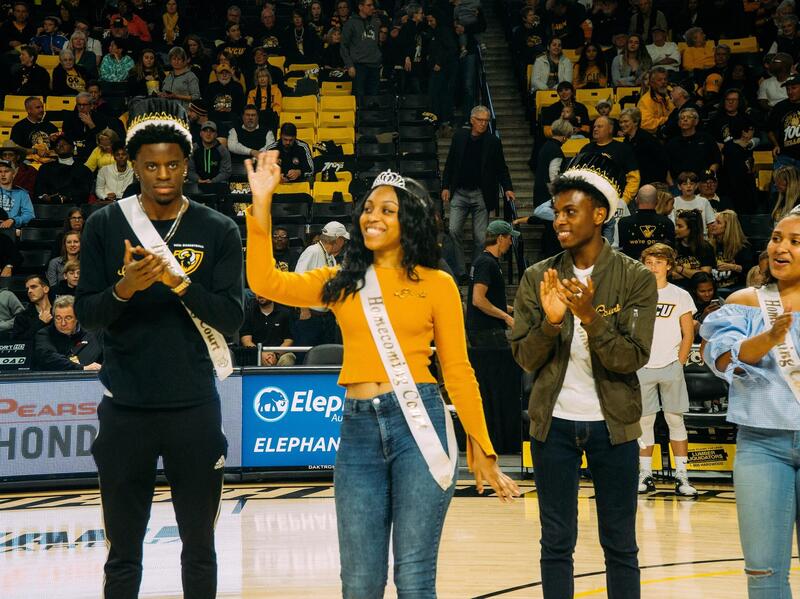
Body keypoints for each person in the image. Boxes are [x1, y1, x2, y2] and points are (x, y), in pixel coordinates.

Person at [245, 155, 519, 597]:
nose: (372, 217)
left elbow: (458, 370)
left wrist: (482, 445)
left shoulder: (438, 283)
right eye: (369, 209)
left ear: (408, 220)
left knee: (413, 578)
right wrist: (260, 206)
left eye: (387, 210)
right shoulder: (343, 281)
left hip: (421, 422)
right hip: (357, 428)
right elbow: (264, 281)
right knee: (359, 582)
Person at [74, 98, 244, 598]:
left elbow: (232, 320)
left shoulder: (218, 229)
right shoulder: (105, 225)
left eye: (172, 164)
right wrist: (124, 287)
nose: (163, 174)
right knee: (123, 553)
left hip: (193, 408)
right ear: (134, 166)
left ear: (187, 164)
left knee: (199, 549)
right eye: (151, 165)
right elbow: (87, 314)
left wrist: (180, 284)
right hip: (126, 410)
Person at [510, 152, 657, 599]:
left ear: (599, 214)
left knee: (620, 543)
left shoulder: (635, 278)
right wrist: (553, 322)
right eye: (557, 213)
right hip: (553, 426)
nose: (559, 221)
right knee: (556, 542)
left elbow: (630, 358)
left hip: (614, 428)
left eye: (569, 212)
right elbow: (524, 357)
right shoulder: (539, 275)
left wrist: (589, 316)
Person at [700, 209, 800, 598]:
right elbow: (722, 358)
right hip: (762, 446)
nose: (781, 248)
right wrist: (770, 337)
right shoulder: (746, 301)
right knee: (763, 570)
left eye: (795, 242)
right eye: (777, 238)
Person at [637, 243, 698, 497]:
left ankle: (682, 476)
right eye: (649, 262)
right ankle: (645, 474)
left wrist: (680, 362)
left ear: (669, 265)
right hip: (643, 366)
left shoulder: (680, 295)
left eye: (659, 262)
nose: (653, 267)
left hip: (671, 364)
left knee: (675, 419)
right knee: (644, 421)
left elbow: (688, 333)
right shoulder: (635, 293)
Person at [442, 105, 514, 276]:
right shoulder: (459, 136)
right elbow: (450, 162)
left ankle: (475, 270)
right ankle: (460, 271)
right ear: (472, 120)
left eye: (486, 121)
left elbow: (501, 167)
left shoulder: (493, 142)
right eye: (480, 120)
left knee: (481, 238)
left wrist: (508, 188)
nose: (483, 124)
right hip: (459, 192)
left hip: (481, 193)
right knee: (453, 230)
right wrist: (445, 186)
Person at [292, 220, 349, 347]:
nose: (344, 243)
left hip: (325, 316)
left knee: (325, 357)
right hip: (310, 315)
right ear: (338, 240)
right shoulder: (313, 251)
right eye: (343, 240)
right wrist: (304, 310)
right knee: (307, 357)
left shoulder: (331, 257)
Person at [465, 219, 517, 348]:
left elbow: (488, 298)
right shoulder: (486, 263)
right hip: (486, 330)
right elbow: (478, 300)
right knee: (503, 367)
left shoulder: (487, 261)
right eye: (509, 238)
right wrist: (506, 317)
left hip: (486, 330)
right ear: (500, 238)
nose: (510, 242)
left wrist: (511, 309)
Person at [35, 295, 101, 371]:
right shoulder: (44, 334)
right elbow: (48, 358)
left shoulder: (93, 334)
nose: (63, 323)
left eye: (68, 318)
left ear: (77, 318)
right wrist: (82, 368)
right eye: (58, 318)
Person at [665, 107, 722, 186]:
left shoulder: (706, 138)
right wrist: (672, 185)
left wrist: (708, 177)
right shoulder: (671, 143)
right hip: (679, 185)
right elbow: (666, 166)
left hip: (704, 182)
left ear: (696, 121)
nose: (685, 119)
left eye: (689, 117)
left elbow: (716, 160)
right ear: (678, 123)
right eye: (682, 118)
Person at [618, 184, 675, 259]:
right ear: (657, 200)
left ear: (636, 200)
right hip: (658, 267)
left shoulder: (624, 223)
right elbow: (671, 252)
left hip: (630, 268)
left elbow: (619, 248)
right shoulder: (667, 223)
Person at [34, 136, 93, 204]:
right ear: (55, 149)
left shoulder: (83, 170)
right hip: (49, 206)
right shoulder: (45, 168)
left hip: (73, 206)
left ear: (72, 148)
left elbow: (83, 191)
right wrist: (44, 195)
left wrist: (67, 197)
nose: (61, 146)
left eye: (64, 144)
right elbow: (39, 187)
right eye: (58, 145)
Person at [239, 295, 296, 366]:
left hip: (279, 353)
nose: (259, 295)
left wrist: (275, 354)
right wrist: (260, 354)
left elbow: (289, 340)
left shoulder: (285, 313)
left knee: (288, 359)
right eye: (257, 292)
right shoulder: (249, 313)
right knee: (246, 358)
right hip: (256, 352)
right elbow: (246, 341)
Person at [340, 0, 382, 97]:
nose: (372, 7)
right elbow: (343, 46)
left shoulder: (376, 22)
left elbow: (377, 43)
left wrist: (379, 58)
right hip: (359, 67)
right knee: (359, 100)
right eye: (369, 5)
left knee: (373, 99)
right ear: (360, 7)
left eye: (373, 5)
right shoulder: (350, 23)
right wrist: (349, 65)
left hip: (375, 66)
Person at [619, 107, 668, 185]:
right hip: (635, 182)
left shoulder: (647, 139)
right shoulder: (626, 140)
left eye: (626, 121)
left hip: (650, 183)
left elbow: (662, 161)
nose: (622, 125)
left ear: (635, 122)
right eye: (620, 122)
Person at [709, 209, 754, 290]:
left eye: (718, 222)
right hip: (712, 289)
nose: (713, 224)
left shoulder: (742, 247)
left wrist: (732, 267)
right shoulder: (709, 245)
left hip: (735, 288)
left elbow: (750, 270)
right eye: (713, 221)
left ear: (728, 227)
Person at [671, 209, 717, 289]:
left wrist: (679, 269)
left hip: (698, 291)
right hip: (676, 288)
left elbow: (704, 276)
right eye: (676, 225)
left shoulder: (705, 247)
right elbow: (671, 274)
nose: (676, 229)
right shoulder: (672, 246)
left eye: (680, 226)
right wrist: (694, 273)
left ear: (691, 228)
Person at [187, 121, 231, 194]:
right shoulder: (193, 149)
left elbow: (226, 172)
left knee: (224, 187)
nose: (208, 134)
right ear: (201, 133)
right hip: (196, 183)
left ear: (216, 134)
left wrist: (212, 181)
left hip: (217, 183)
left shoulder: (223, 150)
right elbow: (189, 170)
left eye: (211, 131)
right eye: (205, 131)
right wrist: (198, 180)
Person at [768, 74, 800, 172]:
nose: (790, 92)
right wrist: (776, 145)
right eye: (788, 89)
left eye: (793, 88)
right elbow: (769, 130)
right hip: (785, 156)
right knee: (778, 185)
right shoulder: (780, 107)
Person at [11, 275, 53, 341]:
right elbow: (18, 343)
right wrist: (41, 323)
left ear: (46, 289)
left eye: (33, 287)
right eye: (27, 289)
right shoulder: (22, 317)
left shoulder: (60, 311)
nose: (29, 291)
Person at [0, 159, 34, 232]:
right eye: (0, 172)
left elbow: (29, 215)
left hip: (12, 231)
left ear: (13, 173)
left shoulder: (22, 193)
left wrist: (14, 220)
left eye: (6, 171)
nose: (3, 174)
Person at [636, 66, 673, 134]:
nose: (663, 82)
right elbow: (646, 124)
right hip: (653, 136)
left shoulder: (672, 94)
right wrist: (668, 120)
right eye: (659, 80)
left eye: (665, 79)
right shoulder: (645, 100)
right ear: (652, 83)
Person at [689, 271, 723, 339]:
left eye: (710, 290)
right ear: (694, 290)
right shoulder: (687, 303)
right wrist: (703, 317)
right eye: (702, 291)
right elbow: (688, 328)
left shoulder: (720, 301)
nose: (707, 294)